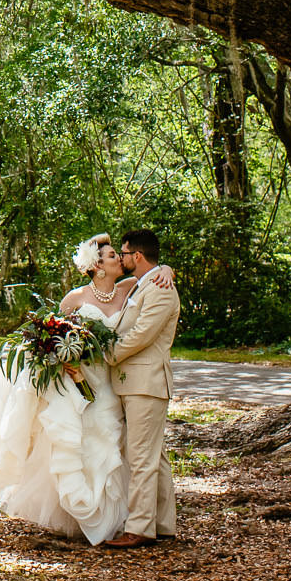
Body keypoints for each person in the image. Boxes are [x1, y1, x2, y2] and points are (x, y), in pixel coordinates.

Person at [0, 234, 173, 544]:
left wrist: (167, 267)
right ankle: (90, 515)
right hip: (84, 380)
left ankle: (129, 520)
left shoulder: (129, 289)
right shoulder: (75, 299)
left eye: (122, 254)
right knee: (84, 442)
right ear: (98, 266)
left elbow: (154, 272)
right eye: (114, 255)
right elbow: (56, 339)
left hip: (115, 382)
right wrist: (66, 361)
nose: (121, 259)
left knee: (119, 446)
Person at [99, 227, 182, 548]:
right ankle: (163, 524)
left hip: (146, 383)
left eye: (124, 252)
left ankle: (139, 528)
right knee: (154, 456)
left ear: (137, 255)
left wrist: (109, 354)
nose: (121, 257)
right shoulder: (144, 283)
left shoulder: (160, 288)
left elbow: (143, 334)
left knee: (141, 458)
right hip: (134, 383)